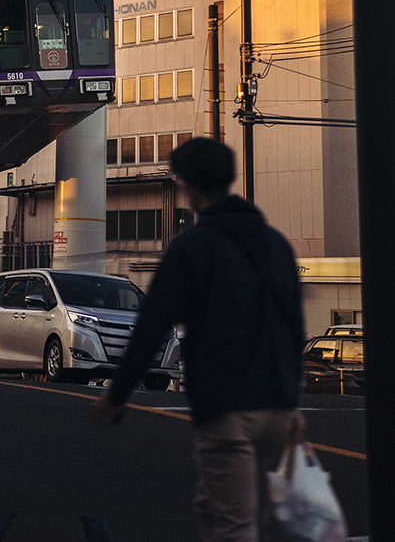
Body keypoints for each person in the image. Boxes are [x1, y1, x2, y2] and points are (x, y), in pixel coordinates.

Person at [91, 136, 305, 542]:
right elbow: (294, 327)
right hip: (278, 407)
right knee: (217, 506)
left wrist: (115, 397)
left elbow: (152, 327)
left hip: (228, 408)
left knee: (233, 527)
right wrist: (293, 397)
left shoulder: (192, 246)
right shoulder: (276, 244)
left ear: (187, 186)